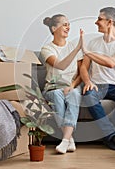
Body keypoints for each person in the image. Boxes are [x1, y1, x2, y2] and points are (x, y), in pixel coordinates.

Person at [80, 7, 115, 151]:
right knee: (89, 96)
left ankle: (109, 135)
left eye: (99, 19)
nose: (96, 22)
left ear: (110, 22)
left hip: (114, 86)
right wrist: (87, 82)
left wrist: (87, 52)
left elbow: (111, 63)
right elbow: (84, 68)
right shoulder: (93, 43)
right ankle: (113, 137)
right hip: (96, 85)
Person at [41, 14, 83, 154]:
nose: (68, 27)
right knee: (58, 94)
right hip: (52, 88)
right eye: (64, 24)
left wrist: (72, 86)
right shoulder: (47, 49)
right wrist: (76, 49)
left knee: (75, 94)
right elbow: (60, 65)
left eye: (68, 24)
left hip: (71, 86)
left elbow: (80, 73)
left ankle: (65, 141)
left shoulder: (72, 46)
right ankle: (69, 139)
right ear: (54, 28)